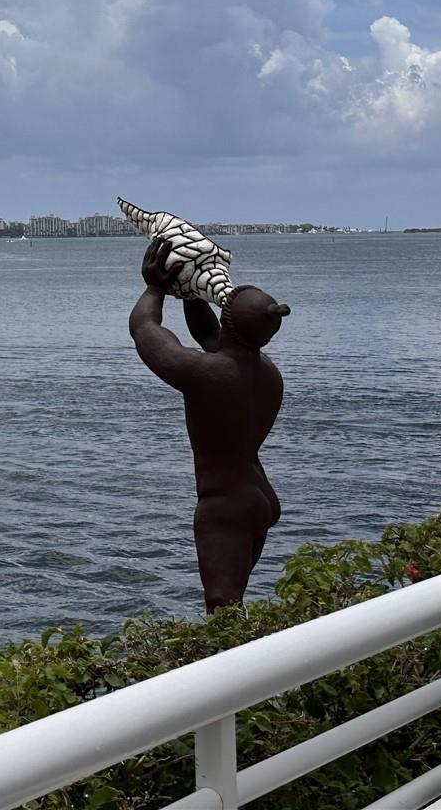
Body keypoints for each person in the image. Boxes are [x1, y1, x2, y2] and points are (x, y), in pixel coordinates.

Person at [129, 239, 290, 612]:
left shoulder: (207, 373)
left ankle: (237, 667)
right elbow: (208, 337)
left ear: (228, 322)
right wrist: (190, 289)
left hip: (224, 505)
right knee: (234, 597)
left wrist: (154, 286)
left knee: (222, 604)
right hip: (257, 495)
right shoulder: (267, 373)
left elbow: (144, 329)